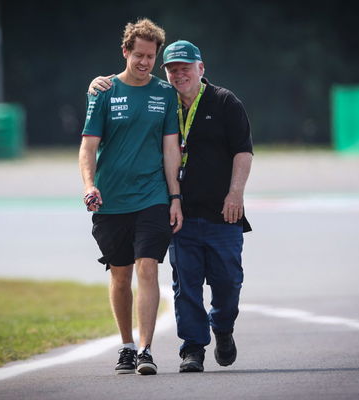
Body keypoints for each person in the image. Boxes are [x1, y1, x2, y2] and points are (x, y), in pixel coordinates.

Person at [88, 40, 253, 373]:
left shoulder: (225, 102)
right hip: (177, 212)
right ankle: (192, 348)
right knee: (185, 286)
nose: (180, 75)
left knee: (227, 284)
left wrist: (235, 193)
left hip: (223, 212)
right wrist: (96, 84)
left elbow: (243, 152)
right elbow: (128, 91)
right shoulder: (163, 100)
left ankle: (222, 327)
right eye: (173, 69)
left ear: (201, 69)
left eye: (186, 68)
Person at [79, 19, 183, 376]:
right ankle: (125, 345)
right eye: (138, 55)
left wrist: (175, 196)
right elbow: (88, 146)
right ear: (125, 52)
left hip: (152, 196)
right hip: (112, 201)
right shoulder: (103, 91)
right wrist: (89, 185)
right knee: (120, 275)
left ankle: (145, 350)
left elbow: (172, 149)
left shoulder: (165, 94)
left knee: (148, 267)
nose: (144, 62)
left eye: (150, 56)